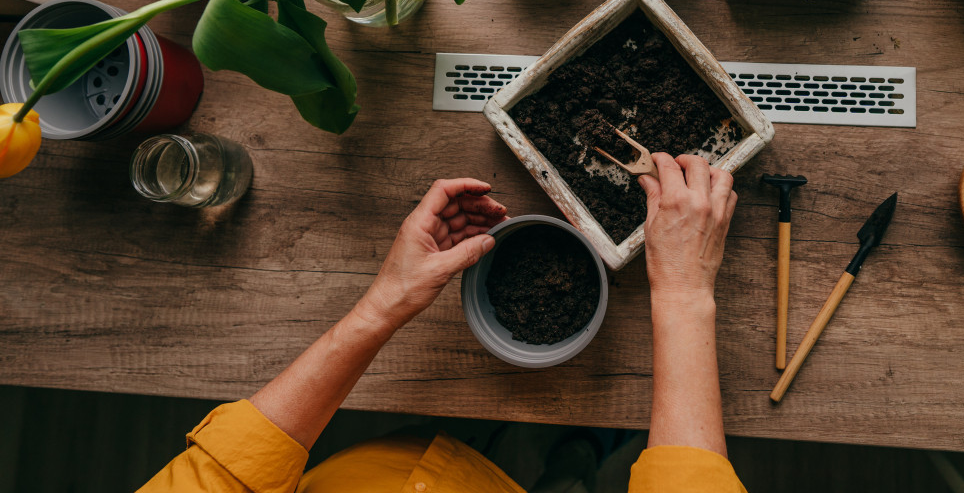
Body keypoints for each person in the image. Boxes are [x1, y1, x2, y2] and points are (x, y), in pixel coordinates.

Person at [138, 153, 744, 492]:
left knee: (505, 458)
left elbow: (223, 472)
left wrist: (384, 304)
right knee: (567, 479)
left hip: (381, 473)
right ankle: (576, 464)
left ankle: (571, 461)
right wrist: (683, 291)